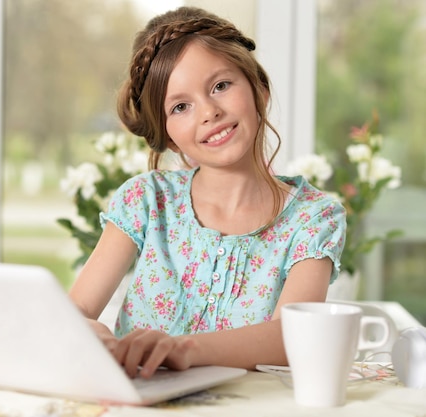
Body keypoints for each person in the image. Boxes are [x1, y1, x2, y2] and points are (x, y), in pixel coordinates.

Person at [69, 6, 346, 379]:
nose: (208, 112)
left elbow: (291, 337)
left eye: (220, 86)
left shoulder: (314, 217)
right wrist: (93, 334)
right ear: (168, 135)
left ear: (259, 90)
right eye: (181, 106)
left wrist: (182, 349)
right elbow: (75, 311)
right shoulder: (147, 201)